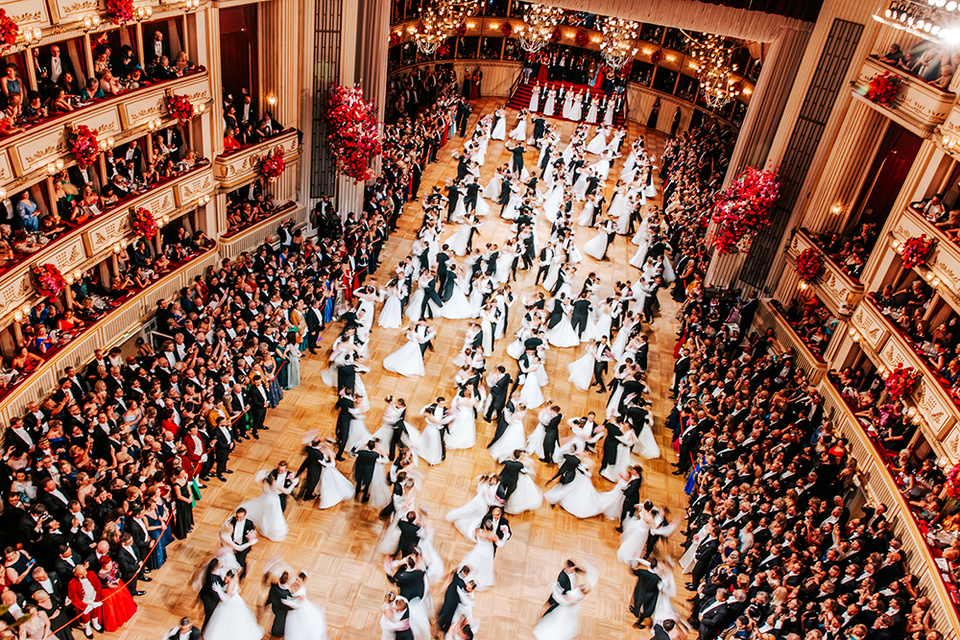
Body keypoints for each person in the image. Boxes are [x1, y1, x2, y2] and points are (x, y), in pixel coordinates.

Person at [533, 561, 598, 640]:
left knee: (557, 618)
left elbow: (563, 599)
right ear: (567, 567)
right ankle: (542, 620)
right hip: (559, 601)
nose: (574, 571)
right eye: (572, 569)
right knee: (551, 613)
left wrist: (555, 589)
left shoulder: (576, 594)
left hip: (564, 603)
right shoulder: (563, 577)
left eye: (574, 569)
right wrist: (592, 570)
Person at [202, 570, 263, 640]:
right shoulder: (233, 581)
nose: (225, 580)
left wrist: (219, 591)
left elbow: (226, 599)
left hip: (229, 604)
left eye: (227, 578)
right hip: (235, 600)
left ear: (230, 578)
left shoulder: (230, 585)